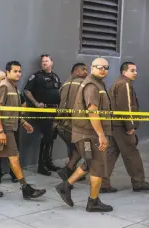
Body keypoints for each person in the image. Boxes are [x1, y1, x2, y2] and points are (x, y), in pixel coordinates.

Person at [0, 61, 46, 200]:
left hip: (8, 127)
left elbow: (11, 111)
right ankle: (26, 188)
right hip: (4, 129)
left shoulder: (13, 88)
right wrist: (0, 131)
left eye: (19, 71)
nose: (18, 74)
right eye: (15, 71)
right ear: (7, 72)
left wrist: (23, 122)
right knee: (14, 157)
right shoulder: (4, 86)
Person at [55, 58, 113, 212]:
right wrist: (101, 135)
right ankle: (93, 202)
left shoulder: (97, 83)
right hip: (90, 134)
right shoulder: (92, 85)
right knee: (97, 168)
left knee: (89, 164)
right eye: (99, 67)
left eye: (106, 67)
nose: (103, 69)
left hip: (88, 133)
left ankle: (65, 186)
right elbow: (92, 111)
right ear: (92, 67)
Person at [101, 62, 149, 193]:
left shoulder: (117, 83)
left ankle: (103, 183)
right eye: (132, 70)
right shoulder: (124, 84)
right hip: (122, 126)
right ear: (124, 72)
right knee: (132, 154)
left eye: (136, 70)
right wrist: (130, 126)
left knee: (110, 154)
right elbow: (125, 107)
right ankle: (138, 182)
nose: (135, 73)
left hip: (114, 124)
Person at [24, 54, 61, 176]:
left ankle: (48, 161)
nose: (44, 63)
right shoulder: (37, 76)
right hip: (43, 111)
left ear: (52, 62)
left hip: (54, 111)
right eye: (42, 61)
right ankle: (41, 165)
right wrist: (35, 103)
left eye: (46, 61)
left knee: (51, 137)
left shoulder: (55, 77)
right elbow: (27, 90)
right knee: (46, 137)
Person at [56, 63, 88, 181]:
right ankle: (68, 170)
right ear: (75, 71)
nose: (86, 72)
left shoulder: (64, 84)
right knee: (82, 150)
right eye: (83, 69)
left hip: (61, 123)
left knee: (72, 148)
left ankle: (71, 172)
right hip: (75, 123)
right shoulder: (83, 84)